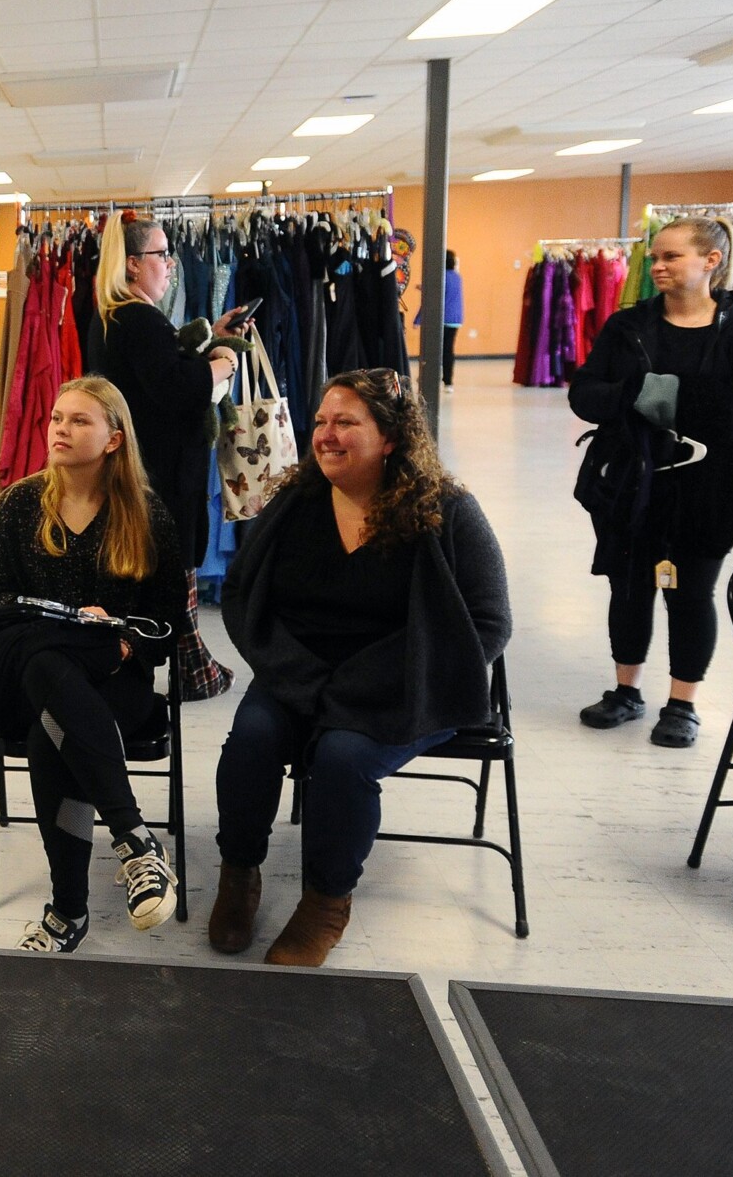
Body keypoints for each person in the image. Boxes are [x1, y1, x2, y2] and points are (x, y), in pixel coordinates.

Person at [212, 368, 510, 966]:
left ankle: (326, 902)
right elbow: (245, 597)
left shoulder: (446, 511)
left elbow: (489, 621)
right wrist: (295, 674)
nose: (326, 435)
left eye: (346, 422)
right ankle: (239, 874)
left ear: (391, 437)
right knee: (252, 737)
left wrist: (382, 680)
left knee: (343, 759)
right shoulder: (295, 502)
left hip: (402, 685)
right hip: (300, 675)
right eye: (321, 421)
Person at [0, 377, 186, 952]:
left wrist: (123, 644)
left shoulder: (147, 515)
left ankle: (68, 913)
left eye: (79, 421)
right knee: (44, 664)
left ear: (114, 439)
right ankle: (135, 840)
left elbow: (168, 620)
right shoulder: (19, 506)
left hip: (119, 683)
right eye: (57, 418)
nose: (60, 429)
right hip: (30, 677)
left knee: (50, 736)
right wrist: (62, 627)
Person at [568, 217, 733, 748]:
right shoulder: (628, 327)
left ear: (710, 261)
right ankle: (625, 691)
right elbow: (585, 394)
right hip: (629, 485)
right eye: (655, 257)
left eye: (670, 257)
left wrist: (671, 395)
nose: (657, 267)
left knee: (689, 594)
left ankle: (683, 702)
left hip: (710, 490)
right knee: (629, 588)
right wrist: (635, 393)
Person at [95, 217, 245, 695]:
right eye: (162, 255)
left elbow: (163, 369)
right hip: (161, 471)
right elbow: (176, 389)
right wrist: (220, 366)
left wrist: (213, 336)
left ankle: (188, 661)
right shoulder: (137, 319)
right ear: (135, 265)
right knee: (167, 564)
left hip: (151, 467)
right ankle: (185, 665)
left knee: (162, 563)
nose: (171, 265)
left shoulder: (125, 316)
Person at [412, 250, 463, 391]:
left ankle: (427, 377)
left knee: (432, 350)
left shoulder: (440, 277)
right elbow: (446, 292)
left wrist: (418, 319)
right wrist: (424, 287)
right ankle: (448, 382)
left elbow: (431, 299)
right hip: (455, 320)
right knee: (448, 350)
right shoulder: (457, 277)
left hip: (441, 319)